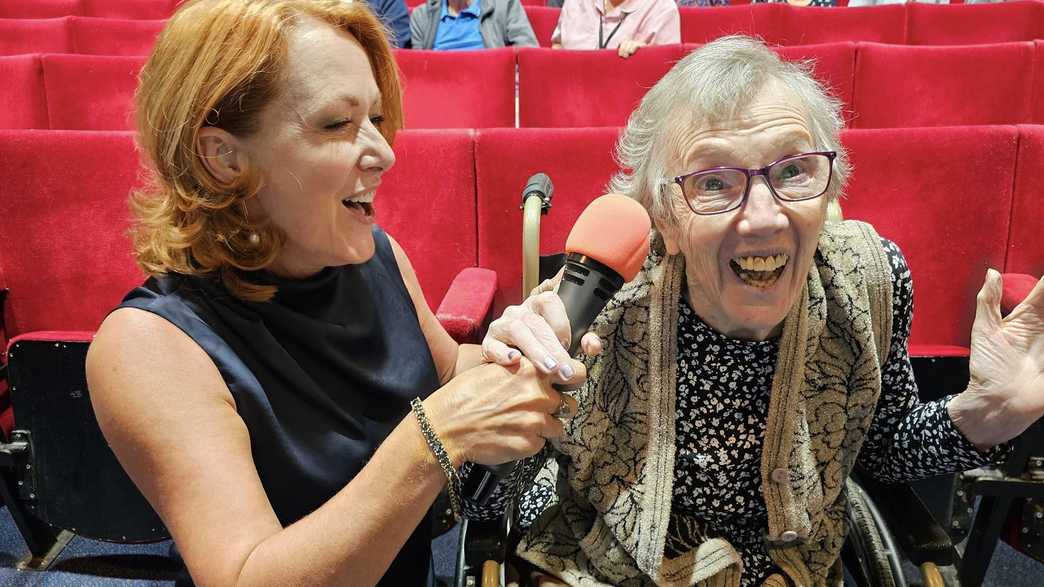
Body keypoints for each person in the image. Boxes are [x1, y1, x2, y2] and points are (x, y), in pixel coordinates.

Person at [477, 36, 1044, 585]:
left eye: (793, 170)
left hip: (790, 570)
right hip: (614, 567)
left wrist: (986, 413)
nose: (765, 216)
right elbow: (516, 480)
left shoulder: (868, 282)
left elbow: (883, 450)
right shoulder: (606, 298)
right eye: (713, 181)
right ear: (663, 219)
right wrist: (500, 393)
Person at [84, 1, 586, 585]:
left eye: (374, 118)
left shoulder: (377, 256)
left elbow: (447, 371)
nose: (384, 151)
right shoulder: (148, 347)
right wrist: (436, 437)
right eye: (336, 124)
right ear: (223, 158)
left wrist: (523, 346)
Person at [551, 0, 680, 58]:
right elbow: (557, 46)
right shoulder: (576, 2)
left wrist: (646, 57)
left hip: (630, 107)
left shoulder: (663, 8)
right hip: (570, 100)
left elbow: (668, 81)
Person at [410, 0, 538, 50]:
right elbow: (419, 73)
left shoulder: (505, 5)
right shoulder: (422, 16)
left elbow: (529, 58)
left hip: (490, 92)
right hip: (440, 94)